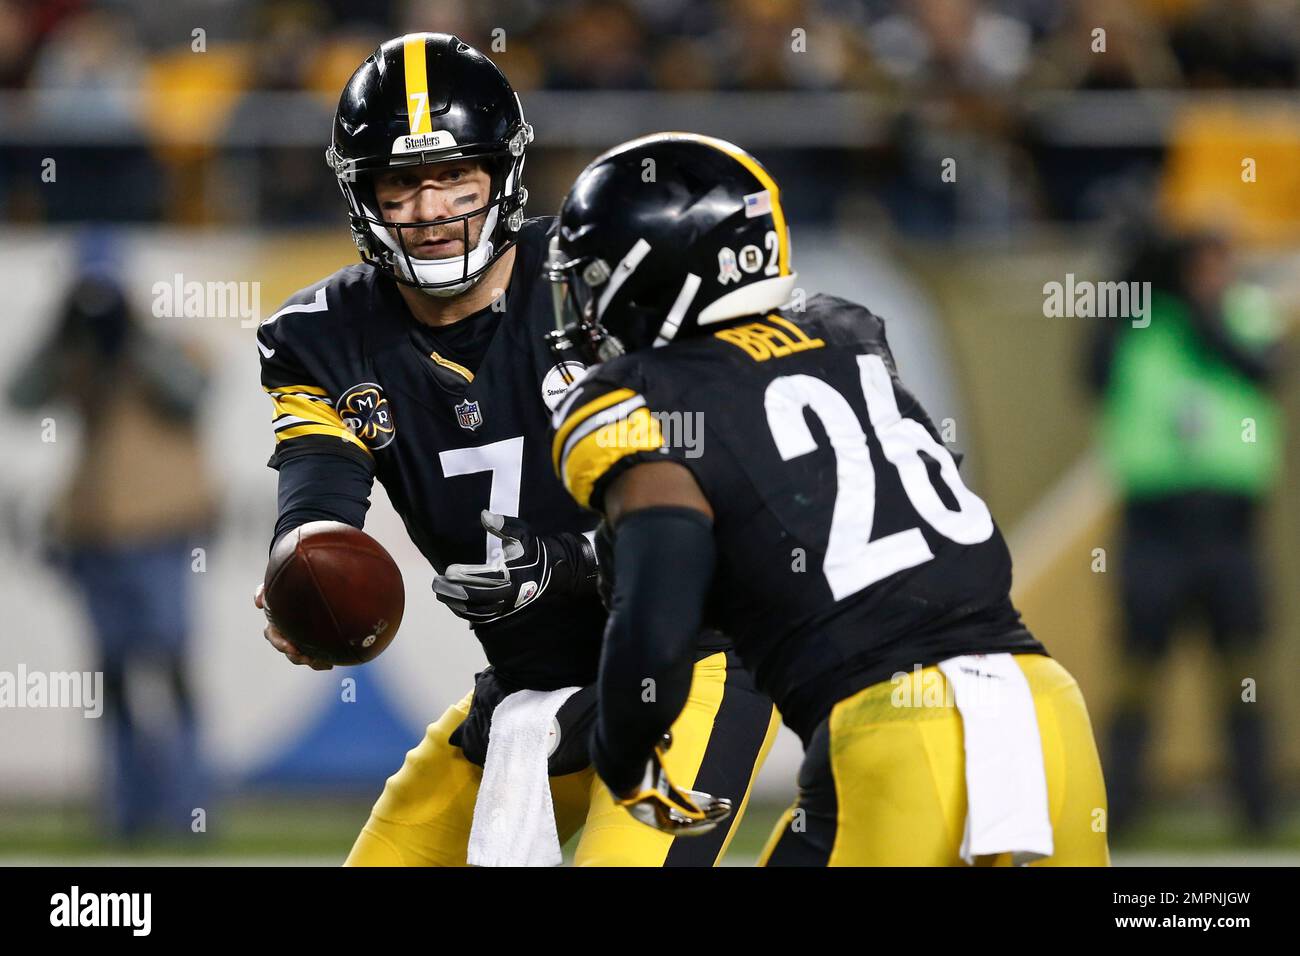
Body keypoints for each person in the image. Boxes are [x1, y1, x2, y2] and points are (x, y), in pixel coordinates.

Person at [253, 34, 777, 866]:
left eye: (455, 177)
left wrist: (563, 562)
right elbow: (321, 482)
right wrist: (303, 561)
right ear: (362, 195)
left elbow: (726, 509)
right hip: (533, 686)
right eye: (401, 184)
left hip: (687, 664)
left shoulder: (602, 275)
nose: (430, 212)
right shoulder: (320, 337)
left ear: (503, 174)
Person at [546, 132, 1111, 865]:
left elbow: (657, 617)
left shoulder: (648, 397)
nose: (583, 310)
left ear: (651, 276)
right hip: (1045, 710)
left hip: (898, 734)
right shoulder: (848, 338)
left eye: (591, 280)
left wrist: (624, 751)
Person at [1086, 228, 1284, 839]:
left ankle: (1257, 807)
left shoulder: (1248, 311)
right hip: (1155, 523)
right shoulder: (1137, 321)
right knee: (1136, 670)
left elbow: (1261, 369)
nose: (1206, 274)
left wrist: (1203, 307)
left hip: (1229, 525)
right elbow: (1091, 374)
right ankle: (1117, 808)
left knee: (1243, 668)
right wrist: (1131, 280)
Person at [9, 268, 213, 839]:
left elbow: (191, 393)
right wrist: (60, 338)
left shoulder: (161, 346)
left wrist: (133, 339)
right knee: (115, 679)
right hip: (97, 538)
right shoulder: (80, 358)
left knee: (172, 671)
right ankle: (127, 816)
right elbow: (19, 397)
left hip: (162, 531)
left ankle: (189, 810)